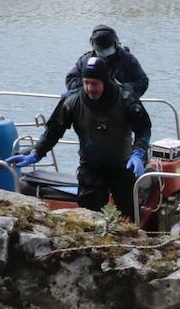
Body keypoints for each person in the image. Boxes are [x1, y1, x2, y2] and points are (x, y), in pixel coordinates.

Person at [12, 56, 152, 221]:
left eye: (95, 83)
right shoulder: (72, 101)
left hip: (123, 166)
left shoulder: (126, 98)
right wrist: (37, 152)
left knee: (129, 216)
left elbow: (143, 129)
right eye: (86, 82)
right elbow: (53, 131)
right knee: (89, 218)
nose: (89, 88)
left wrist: (138, 153)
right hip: (91, 167)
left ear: (105, 81)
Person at [64, 24, 150, 98]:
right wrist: (91, 85)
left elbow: (143, 82)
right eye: (101, 50)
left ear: (115, 44)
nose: (104, 53)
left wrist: (123, 88)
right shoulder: (86, 60)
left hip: (120, 104)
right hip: (91, 105)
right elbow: (70, 80)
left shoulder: (128, 60)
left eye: (107, 49)